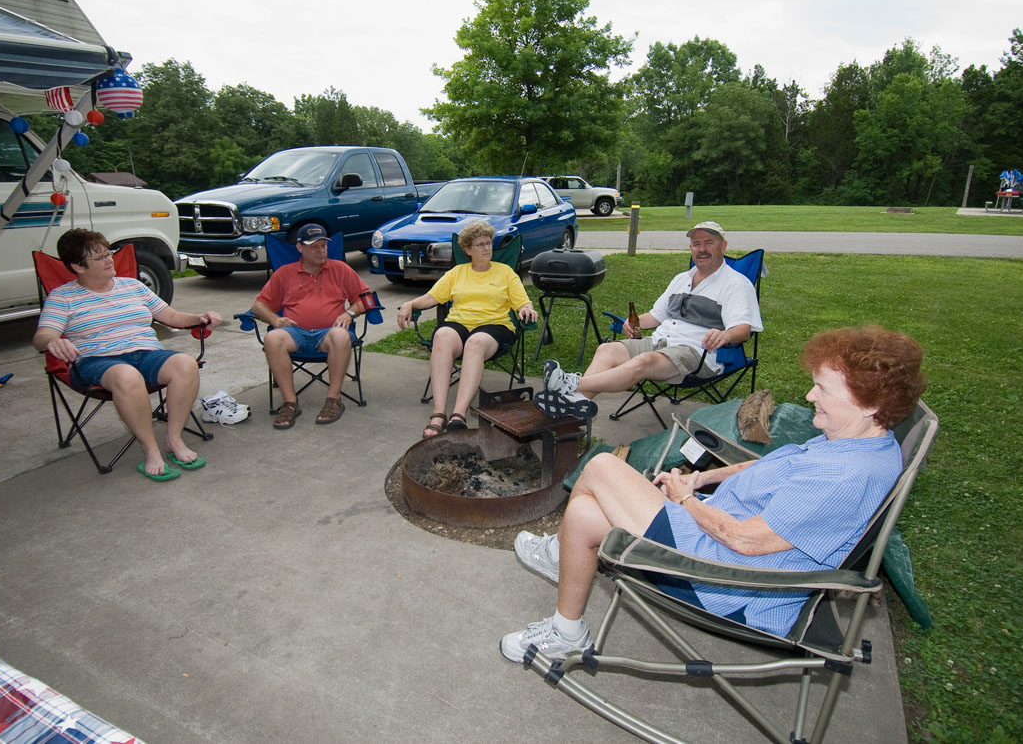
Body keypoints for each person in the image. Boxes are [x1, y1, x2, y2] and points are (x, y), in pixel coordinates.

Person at [501, 325, 927, 662]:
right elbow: (774, 465)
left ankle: (559, 558)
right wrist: (704, 480)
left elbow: (745, 541)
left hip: (726, 578)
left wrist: (683, 499)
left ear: (871, 403)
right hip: (716, 530)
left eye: (824, 390)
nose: (810, 395)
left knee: (601, 467)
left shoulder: (846, 477)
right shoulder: (857, 436)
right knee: (585, 515)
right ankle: (567, 631)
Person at [33, 229, 222, 481]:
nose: (109, 259)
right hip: (97, 362)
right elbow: (42, 336)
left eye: (108, 253)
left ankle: (173, 440)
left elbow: (171, 317)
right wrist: (53, 341)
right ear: (78, 266)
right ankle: (150, 448)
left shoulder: (132, 286)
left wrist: (200, 318)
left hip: (145, 353)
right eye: (100, 257)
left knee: (185, 364)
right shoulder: (63, 297)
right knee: (127, 376)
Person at [534, 220, 762, 419]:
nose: (702, 249)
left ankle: (572, 384)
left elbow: (743, 329)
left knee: (643, 362)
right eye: (696, 244)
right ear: (691, 248)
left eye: (708, 243)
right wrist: (634, 322)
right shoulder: (682, 279)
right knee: (606, 350)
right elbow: (655, 316)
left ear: (723, 246)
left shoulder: (736, 284)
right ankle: (574, 407)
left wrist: (724, 334)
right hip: (660, 342)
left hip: (697, 352)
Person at [395, 220, 539, 437]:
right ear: (467, 250)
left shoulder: (505, 272)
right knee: (443, 335)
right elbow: (430, 298)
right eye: (480, 244)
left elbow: (522, 302)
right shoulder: (457, 273)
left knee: (475, 342)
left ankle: (458, 415)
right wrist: (409, 304)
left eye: (489, 243)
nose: (487, 248)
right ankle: (438, 413)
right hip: (459, 323)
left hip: (495, 325)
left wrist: (527, 309)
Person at [250, 225, 372, 429]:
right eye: (315, 246)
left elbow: (366, 299)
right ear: (299, 248)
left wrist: (349, 313)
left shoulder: (340, 269)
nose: (321, 250)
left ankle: (334, 400)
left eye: (324, 246)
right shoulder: (284, 273)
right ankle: (290, 403)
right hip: (295, 333)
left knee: (341, 336)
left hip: (329, 332)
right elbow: (258, 306)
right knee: (272, 338)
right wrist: (275, 320)